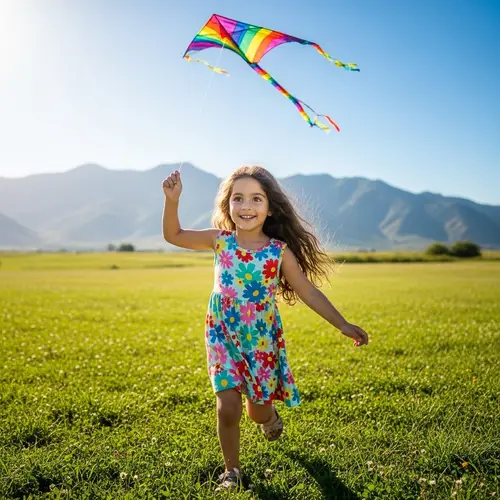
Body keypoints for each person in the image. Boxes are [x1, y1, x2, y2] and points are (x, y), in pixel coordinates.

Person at [162, 165, 369, 491]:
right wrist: (172, 201)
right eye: (238, 198)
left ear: (270, 207)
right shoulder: (220, 241)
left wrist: (342, 324)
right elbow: (174, 235)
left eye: (256, 199)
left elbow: (308, 291)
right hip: (222, 332)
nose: (246, 206)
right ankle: (232, 472)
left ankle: (268, 418)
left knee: (257, 412)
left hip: (260, 337)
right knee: (227, 405)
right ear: (228, 205)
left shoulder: (278, 252)